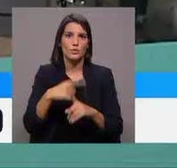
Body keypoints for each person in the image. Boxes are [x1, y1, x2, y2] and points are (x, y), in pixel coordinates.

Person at [22, 13, 123, 143]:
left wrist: (92, 112)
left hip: (92, 153)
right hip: (54, 153)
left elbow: (116, 127)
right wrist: (48, 95)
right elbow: (30, 124)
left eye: (82, 36)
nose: (75, 43)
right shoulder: (46, 74)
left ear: (88, 43)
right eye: (69, 36)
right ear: (59, 41)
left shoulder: (103, 76)